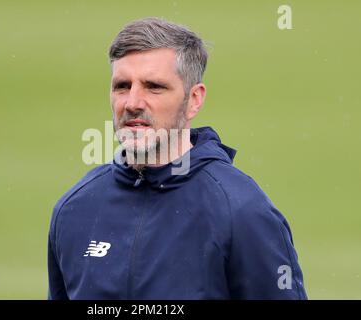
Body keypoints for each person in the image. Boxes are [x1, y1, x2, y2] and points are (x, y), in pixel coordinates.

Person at [48, 17, 307, 300]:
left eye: (154, 86)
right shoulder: (76, 209)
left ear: (194, 99)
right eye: (122, 86)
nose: (132, 102)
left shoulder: (240, 211)